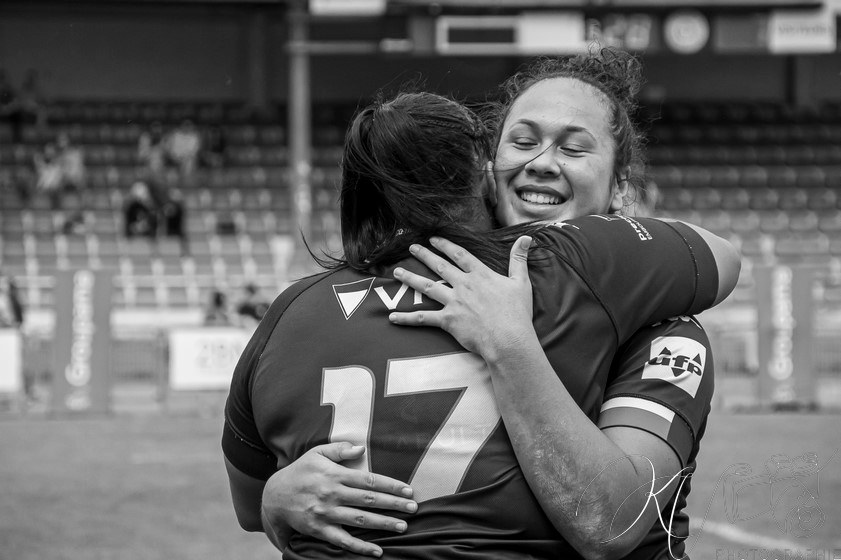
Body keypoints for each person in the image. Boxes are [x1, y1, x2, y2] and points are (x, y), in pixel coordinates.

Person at [223, 89, 740, 559]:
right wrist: (278, 495)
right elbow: (723, 257)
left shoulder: (297, 307)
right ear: (484, 165)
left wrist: (510, 345)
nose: (541, 163)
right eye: (522, 142)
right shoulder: (573, 266)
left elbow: (613, 519)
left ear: (620, 186)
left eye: (574, 149)